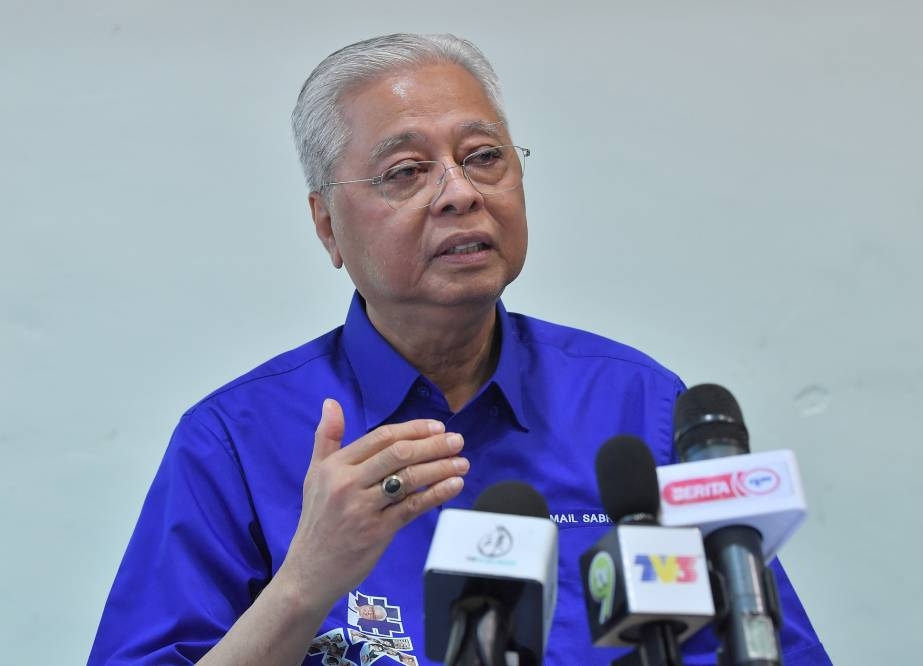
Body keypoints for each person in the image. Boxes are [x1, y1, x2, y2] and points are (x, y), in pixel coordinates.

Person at [88, 33, 831, 665]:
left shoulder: (638, 404)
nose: (460, 193)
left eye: (482, 157)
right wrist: (304, 583)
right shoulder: (234, 442)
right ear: (327, 226)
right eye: (407, 172)